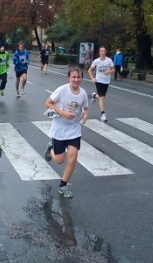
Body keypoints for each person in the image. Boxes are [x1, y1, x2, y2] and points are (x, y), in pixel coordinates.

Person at [44, 66, 89, 198]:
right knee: (59, 160)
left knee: (73, 157)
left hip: (74, 130)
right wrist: (63, 112)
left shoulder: (83, 93)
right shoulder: (62, 90)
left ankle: (63, 186)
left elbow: (85, 108)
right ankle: (50, 148)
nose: (76, 79)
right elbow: (48, 103)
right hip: (59, 130)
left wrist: (85, 115)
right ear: (69, 78)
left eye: (79, 77)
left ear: (81, 78)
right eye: (73, 77)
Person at [88, 46, 115, 122]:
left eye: (104, 51)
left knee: (101, 97)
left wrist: (109, 72)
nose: (103, 52)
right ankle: (103, 114)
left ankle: (94, 96)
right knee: (102, 98)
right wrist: (92, 78)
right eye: (102, 51)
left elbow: (114, 69)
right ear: (99, 53)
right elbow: (89, 70)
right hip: (99, 81)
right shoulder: (96, 61)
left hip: (106, 81)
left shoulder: (109, 60)